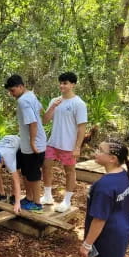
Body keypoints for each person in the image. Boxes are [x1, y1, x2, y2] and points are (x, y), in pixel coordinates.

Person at [41, 72, 87, 212]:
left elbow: (82, 127)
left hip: (69, 145)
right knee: (46, 166)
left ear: (73, 84)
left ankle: (66, 201)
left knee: (69, 172)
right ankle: (47, 196)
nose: (62, 85)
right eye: (60, 83)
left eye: (65, 83)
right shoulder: (55, 101)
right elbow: (44, 120)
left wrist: (77, 147)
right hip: (53, 142)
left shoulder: (78, 103)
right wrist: (53, 106)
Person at [4, 74, 47, 211]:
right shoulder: (30, 95)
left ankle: (37, 203)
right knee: (27, 172)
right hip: (27, 143)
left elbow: (33, 123)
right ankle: (29, 198)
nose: (11, 94)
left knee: (33, 175)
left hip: (33, 145)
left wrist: (33, 142)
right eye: (10, 91)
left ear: (21, 86)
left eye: (13, 90)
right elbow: (40, 110)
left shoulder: (23, 101)